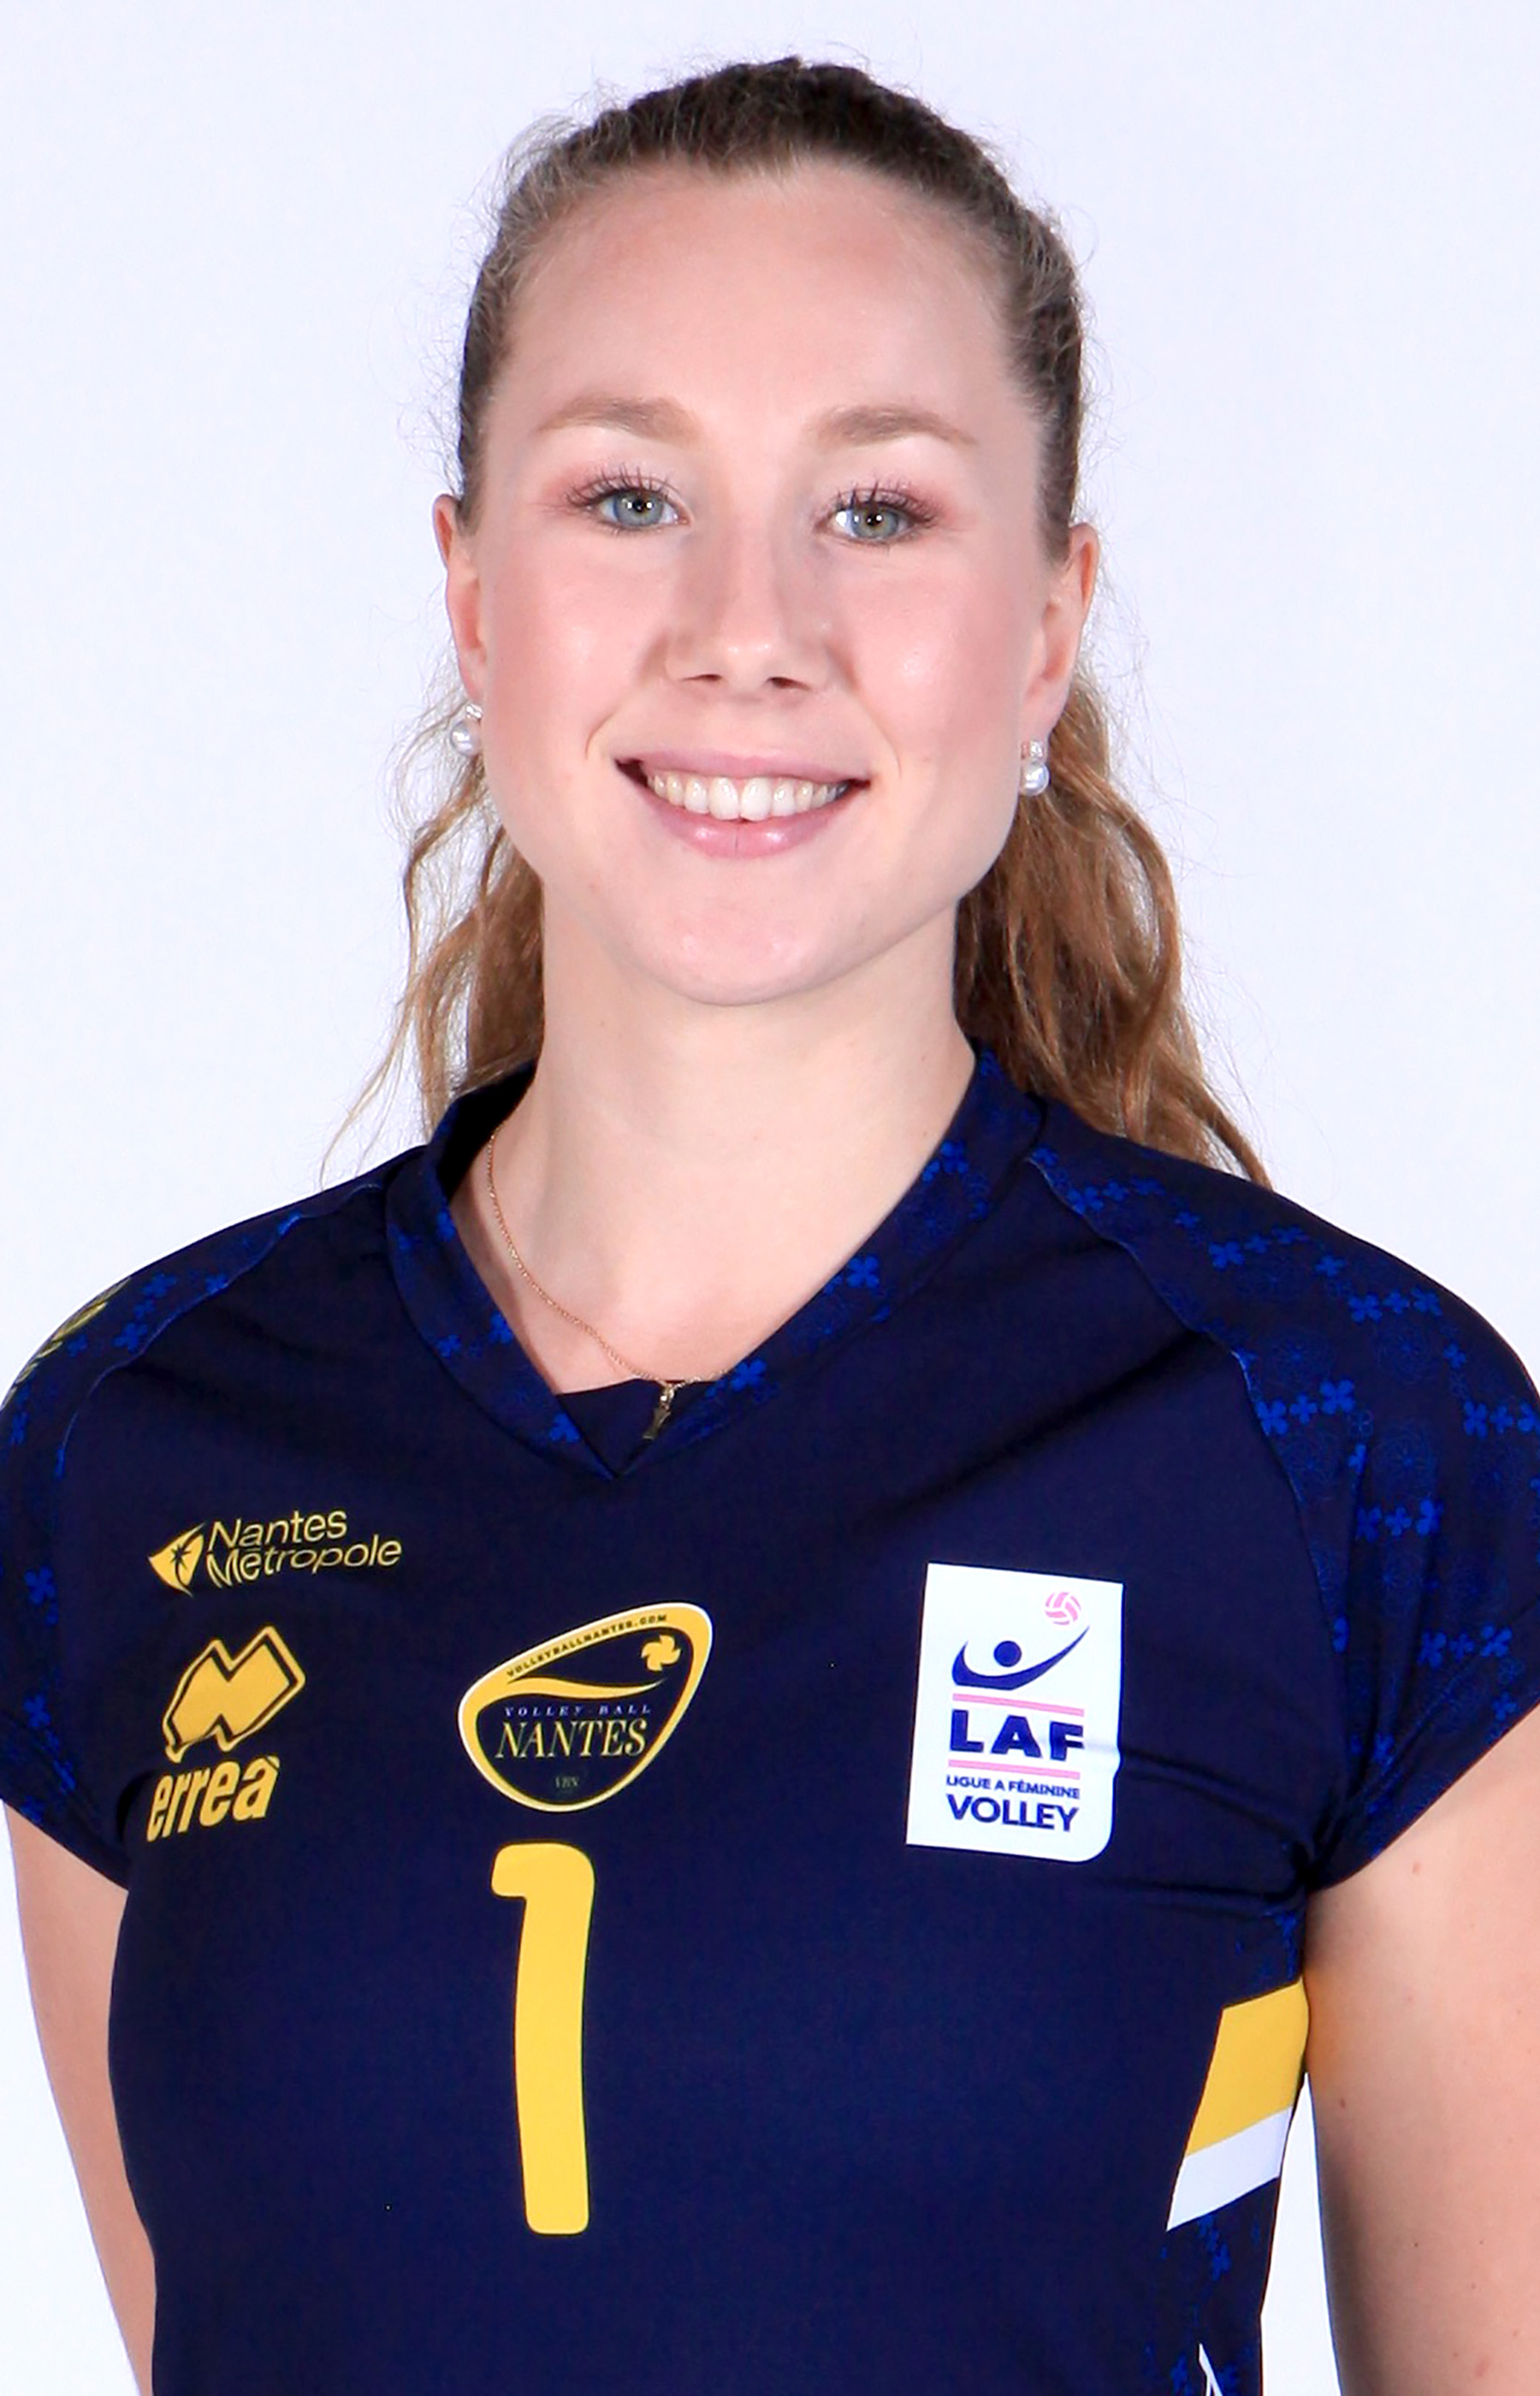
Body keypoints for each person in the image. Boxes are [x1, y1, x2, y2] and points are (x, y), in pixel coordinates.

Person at [3, 51, 1538, 2396]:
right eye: (629, 497)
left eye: (879, 512)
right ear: (472, 596)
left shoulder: (1355, 1446)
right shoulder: (130, 1449)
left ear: (1050, 625)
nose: (749, 626)